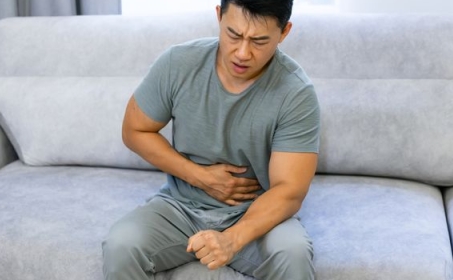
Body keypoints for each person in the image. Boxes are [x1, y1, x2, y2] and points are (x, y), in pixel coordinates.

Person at [102, 0, 320, 279]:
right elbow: (134, 130)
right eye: (234, 35)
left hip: (256, 216)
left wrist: (232, 239)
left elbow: (289, 191)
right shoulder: (178, 63)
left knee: (293, 254)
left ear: (284, 32)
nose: (242, 53)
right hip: (180, 207)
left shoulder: (296, 93)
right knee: (121, 244)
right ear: (219, 17)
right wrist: (200, 177)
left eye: (259, 41)